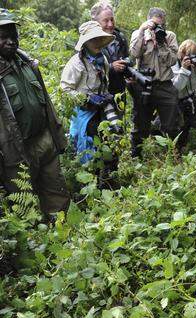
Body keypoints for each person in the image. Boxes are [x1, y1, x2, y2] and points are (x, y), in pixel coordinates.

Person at [0, 8, 69, 217]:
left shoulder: (27, 64)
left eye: (14, 36)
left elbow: (46, 104)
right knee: (24, 207)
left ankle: (60, 240)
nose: (11, 41)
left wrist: (58, 137)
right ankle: (31, 245)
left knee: (57, 194)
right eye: (3, 37)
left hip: (44, 141)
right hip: (14, 151)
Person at [60, 21, 119, 187]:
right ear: (85, 42)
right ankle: (86, 188)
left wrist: (105, 95)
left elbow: (103, 83)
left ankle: (108, 184)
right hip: (84, 113)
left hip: (101, 111)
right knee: (87, 149)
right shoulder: (76, 63)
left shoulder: (103, 60)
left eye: (100, 39)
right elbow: (65, 90)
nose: (98, 43)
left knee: (109, 144)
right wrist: (86, 98)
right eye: (94, 39)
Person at [129, 7, 178, 157]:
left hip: (165, 84)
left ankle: (168, 155)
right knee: (140, 124)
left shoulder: (169, 36)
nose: (158, 27)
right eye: (155, 24)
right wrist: (142, 30)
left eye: (161, 25)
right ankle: (136, 156)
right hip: (145, 84)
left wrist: (161, 43)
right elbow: (134, 54)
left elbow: (173, 60)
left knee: (171, 124)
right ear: (149, 21)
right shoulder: (139, 34)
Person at [90, 1, 128, 101]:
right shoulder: (88, 42)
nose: (110, 24)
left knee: (118, 117)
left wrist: (128, 71)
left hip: (118, 92)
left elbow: (126, 57)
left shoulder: (120, 37)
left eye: (112, 19)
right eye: (106, 21)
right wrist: (111, 67)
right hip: (97, 96)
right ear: (96, 22)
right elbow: (86, 69)